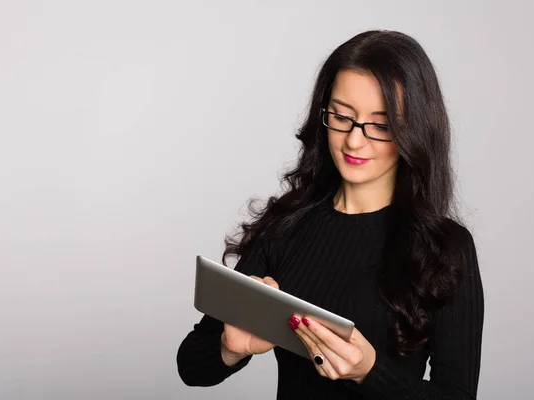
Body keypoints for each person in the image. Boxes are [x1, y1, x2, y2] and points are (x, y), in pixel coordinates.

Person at [176, 29, 484, 399]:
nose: (354, 140)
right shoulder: (283, 230)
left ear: (414, 131)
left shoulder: (446, 248)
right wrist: (231, 349)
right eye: (342, 117)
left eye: (381, 125)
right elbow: (191, 366)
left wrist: (370, 373)